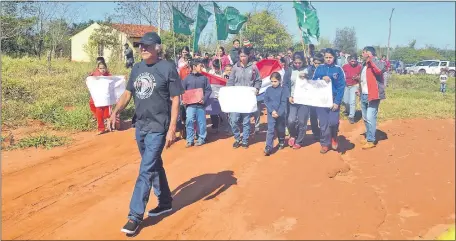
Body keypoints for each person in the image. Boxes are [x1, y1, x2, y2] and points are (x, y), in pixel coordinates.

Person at [107, 32, 184, 235]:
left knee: (145, 169)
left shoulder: (167, 67)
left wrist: (172, 128)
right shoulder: (137, 68)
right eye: (140, 46)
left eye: (147, 46)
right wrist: (115, 111)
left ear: (157, 48)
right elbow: (127, 93)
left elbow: (176, 99)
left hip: (159, 127)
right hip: (140, 126)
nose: (142, 49)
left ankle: (134, 216)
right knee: (154, 164)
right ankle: (166, 201)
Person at [312, 48, 346, 154]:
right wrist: (322, 77)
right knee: (323, 124)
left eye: (330, 57)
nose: (328, 59)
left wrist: (337, 102)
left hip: (334, 99)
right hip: (321, 100)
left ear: (334, 57)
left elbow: (341, 86)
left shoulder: (338, 69)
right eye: (326, 57)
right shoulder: (319, 69)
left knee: (333, 122)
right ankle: (325, 144)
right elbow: (313, 82)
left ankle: (334, 137)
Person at [227, 47, 262, 149]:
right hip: (236, 98)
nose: (242, 58)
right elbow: (231, 81)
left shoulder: (254, 67)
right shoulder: (235, 67)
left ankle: (245, 140)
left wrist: (256, 89)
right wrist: (228, 91)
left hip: (247, 98)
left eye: (244, 56)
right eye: (241, 56)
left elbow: (258, 80)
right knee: (233, 120)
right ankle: (237, 138)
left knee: (246, 120)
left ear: (248, 56)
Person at [356, 46, 386, 149]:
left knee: (370, 117)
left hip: (373, 95)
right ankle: (369, 136)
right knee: (365, 118)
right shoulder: (364, 65)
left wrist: (371, 59)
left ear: (369, 53)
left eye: (363, 52)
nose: (362, 54)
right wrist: (359, 90)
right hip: (364, 94)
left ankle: (371, 140)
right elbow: (363, 79)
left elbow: (379, 70)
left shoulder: (377, 62)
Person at [182, 59, 212, 147]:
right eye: (200, 66)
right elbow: (182, 91)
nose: (201, 68)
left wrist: (204, 99)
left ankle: (201, 138)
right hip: (190, 105)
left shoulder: (204, 78)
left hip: (200, 104)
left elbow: (208, 90)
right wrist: (183, 99)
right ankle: (190, 139)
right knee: (189, 120)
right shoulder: (186, 79)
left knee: (201, 122)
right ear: (194, 67)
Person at [283, 53, 310, 149]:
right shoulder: (289, 70)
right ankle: (293, 135)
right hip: (293, 100)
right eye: (295, 63)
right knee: (291, 120)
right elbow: (285, 84)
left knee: (302, 121)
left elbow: (315, 81)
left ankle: (299, 141)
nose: (297, 65)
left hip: (304, 100)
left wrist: (308, 76)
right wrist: (289, 96)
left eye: (299, 63)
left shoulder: (308, 70)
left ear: (303, 61)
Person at [263, 72, 289, 156]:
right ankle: (268, 147)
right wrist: (272, 111)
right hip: (271, 114)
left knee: (280, 129)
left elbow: (284, 102)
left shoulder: (283, 89)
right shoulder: (268, 89)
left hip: (280, 114)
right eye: (272, 81)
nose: (273, 83)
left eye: (275, 81)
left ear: (280, 81)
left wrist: (279, 112)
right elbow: (266, 101)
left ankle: (281, 140)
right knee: (270, 130)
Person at [88, 61, 117, 135]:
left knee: (107, 114)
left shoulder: (109, 76)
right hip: (99, 98)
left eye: (104, 68)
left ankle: (110, 125)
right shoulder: (95, 74)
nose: (102, 70)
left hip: (107, 99)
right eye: (100, 68)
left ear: (106, 68)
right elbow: (90, 80)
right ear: (98, 69)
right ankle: (101, 128)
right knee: (98, 111)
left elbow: (115, 83)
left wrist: (122, 79)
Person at [342, 55, 362, 124]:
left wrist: (358, 78)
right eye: (352, 61)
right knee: (345, 101)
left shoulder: (359, 67)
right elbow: (341, 75)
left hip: (354, 85)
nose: (353, 62)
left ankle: (351, 116)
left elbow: (361, 77)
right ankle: (348, 110)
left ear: (357, 60)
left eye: (354, 61)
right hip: (346, 86)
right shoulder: (345, 67)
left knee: (352, 101)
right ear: (349, 61)